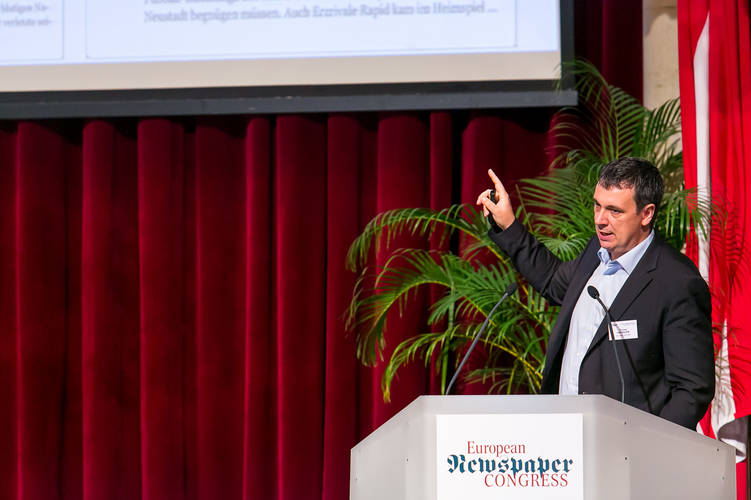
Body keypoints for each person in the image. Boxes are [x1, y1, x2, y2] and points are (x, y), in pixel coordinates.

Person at [476, 157, 714, 429]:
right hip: (564, 434)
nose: (600, 220)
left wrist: (649, 442)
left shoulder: (676, 281)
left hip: (625, 445)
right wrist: (508, 225)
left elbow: (691, 390)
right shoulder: (596, 252)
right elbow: (553, 280)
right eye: (597, 205)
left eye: (614, 211)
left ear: (646, 214)